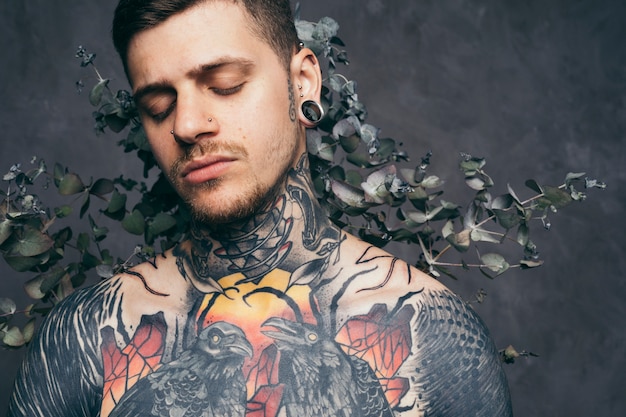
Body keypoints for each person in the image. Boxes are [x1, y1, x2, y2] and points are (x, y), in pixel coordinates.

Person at [8, 0, 512, 416]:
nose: (186, 124)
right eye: (158, 105)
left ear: (303, 83)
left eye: (224, 84)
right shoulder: (85, 336)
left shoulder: (432, 330)